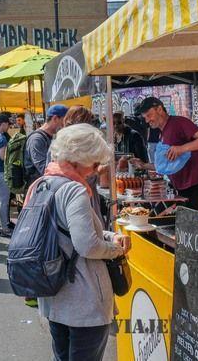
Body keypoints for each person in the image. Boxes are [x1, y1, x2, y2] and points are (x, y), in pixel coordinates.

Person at [36, 123, 130, 361]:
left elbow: (65, 232)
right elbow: (87, 245)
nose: (96, 170)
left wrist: (108, 235)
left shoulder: (43, 182)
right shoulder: (74, 190)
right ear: (80, 158)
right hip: (82, 295)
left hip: (53, 292)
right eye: (95, 163)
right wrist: (115, 249)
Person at [134, 97, 198, 211]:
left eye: (149, 115)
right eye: (145, 117)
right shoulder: (162, 134)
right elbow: (166, 165)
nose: (147, 120)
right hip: (181, 190)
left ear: (159, 109)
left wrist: (181, 148)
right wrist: (143, 165)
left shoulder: (179, 123)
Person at [24, 104, 67, 183]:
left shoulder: (51, 136)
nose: (65, 126)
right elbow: (43, 169)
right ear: (55, 118)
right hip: (39, 186)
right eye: (64, 121)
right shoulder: (36, 139)